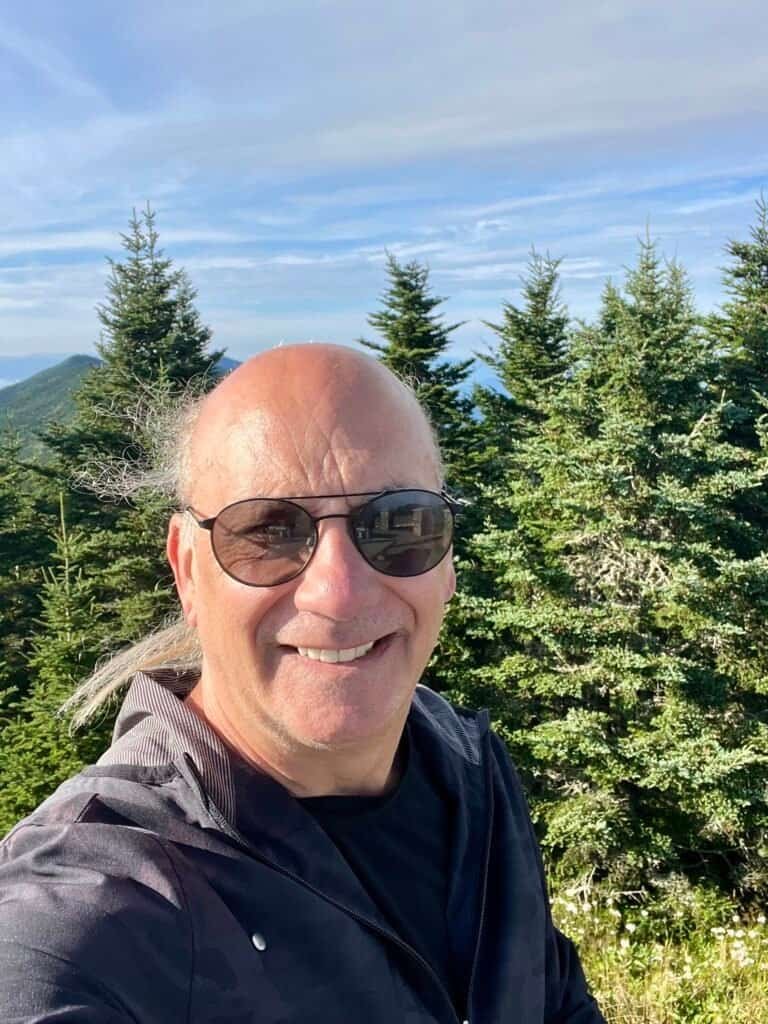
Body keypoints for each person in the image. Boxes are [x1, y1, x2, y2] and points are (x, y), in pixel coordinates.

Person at [0, 344, 604, 1023]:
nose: (338, 592)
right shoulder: (99, 903)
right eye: (268, 531)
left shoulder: (470, 771)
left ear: (447, 559)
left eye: (397, 524)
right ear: (187, 571)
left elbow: (552, 998)